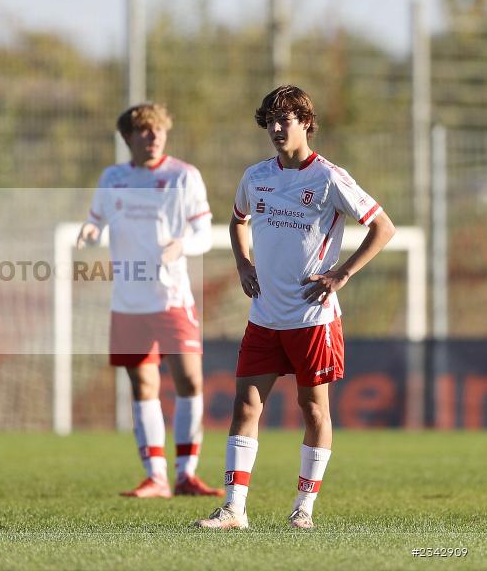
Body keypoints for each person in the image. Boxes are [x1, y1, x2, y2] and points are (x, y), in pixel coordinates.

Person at [195, 85, 395, 530]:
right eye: (270, 120)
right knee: (245, 405)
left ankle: (302, 509)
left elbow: (383, 226)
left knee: (313, 409)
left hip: (312, 318)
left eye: (285, 119)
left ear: (306, 122)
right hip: (264, 316)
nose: (276, 128)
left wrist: (341, 274)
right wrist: (243, 263)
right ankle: (234, 509)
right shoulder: (256, 176)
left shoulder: (328, 178)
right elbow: (237, 220)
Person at [77, 102, 224, 499]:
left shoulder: (184, 176)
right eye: (144, 130)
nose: (154, 136)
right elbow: (96, 219)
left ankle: (186, 473)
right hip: (128, 301)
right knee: (143, 385)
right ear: (128, 137)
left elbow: (204, 233)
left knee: (189, 379)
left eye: (159, 129)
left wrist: (182, 245)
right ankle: (156, 476)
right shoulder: (113, 178)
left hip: (172, 297)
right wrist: (90, 231)